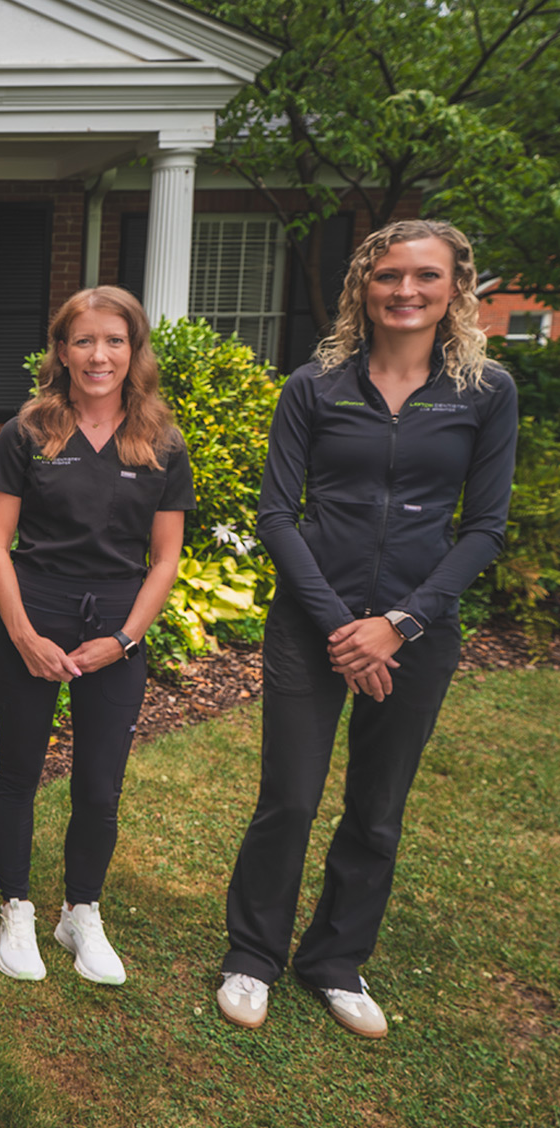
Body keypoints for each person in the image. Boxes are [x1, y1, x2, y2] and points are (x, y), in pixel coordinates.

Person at [216, 220, 516, 1038]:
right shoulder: (316, 386)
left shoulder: (486, 392)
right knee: (289, 795)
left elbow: (485, 527)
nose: (406, 291)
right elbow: (278, 514)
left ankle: (336, 961)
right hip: (313, 620)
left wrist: (401, 623)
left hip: (419, 631)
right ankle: (252, 955)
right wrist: (344, 628)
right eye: (388, 275)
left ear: (456, 286)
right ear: (364, 286)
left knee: (378, 807)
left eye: (425, 276)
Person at [0, 286, 191, 987]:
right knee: (19, 775)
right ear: (61, 351)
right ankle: (16, 908)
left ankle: (80, 912)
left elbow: (165, 559)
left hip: (115, 631)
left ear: (134, 351)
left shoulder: (160, 440)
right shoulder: (29, 432)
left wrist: (126, 641)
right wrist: (24, 636)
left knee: (99, 788)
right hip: (34, 616)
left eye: (115, 341)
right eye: (84, 341)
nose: (99, 355)